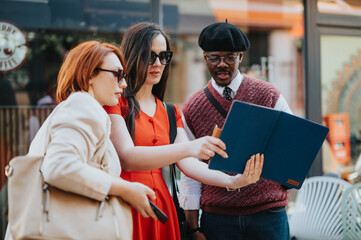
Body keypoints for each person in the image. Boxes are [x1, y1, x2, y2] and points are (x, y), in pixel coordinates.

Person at [103, 22, 264, 240]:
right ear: (133, 56)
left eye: (164, 56)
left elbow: (188, 164)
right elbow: (128, 158)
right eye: (150, 56)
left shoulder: (169, 111)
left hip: (162, 207)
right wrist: (189, 147)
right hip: (126, 202)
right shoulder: (115, 102)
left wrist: (232, 182)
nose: (158, 63)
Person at [5, 40, 158, 240]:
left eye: (125, 76)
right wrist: (125, 189)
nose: (124, 84)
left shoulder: (82, 107)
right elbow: (60, 166)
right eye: (118, 74)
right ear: (89, 74)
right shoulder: (82, 104)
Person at [180, 21, 293, 240]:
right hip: (218, 220)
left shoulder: (269, 95)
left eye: (229, 58)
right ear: (205, 58)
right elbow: (190, 173)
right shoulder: (192, 108)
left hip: (268, 214)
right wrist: (193, 228)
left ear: (240, 57)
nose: (221, 64)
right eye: (214, 58)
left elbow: (293, 143)